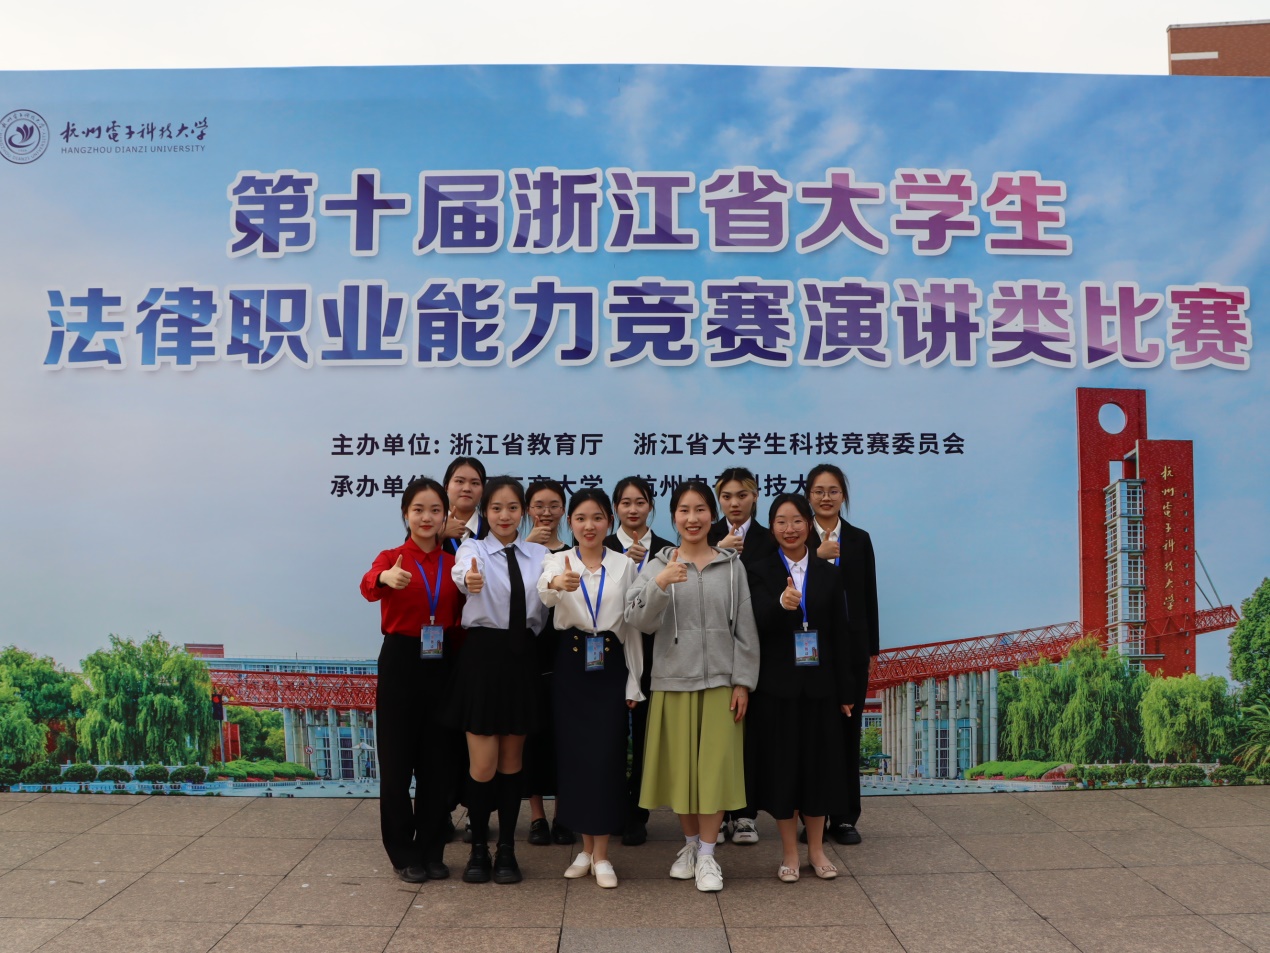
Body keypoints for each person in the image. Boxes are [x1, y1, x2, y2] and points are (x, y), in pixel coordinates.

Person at [625, 480, 760, 893]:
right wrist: (661, 583)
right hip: (672, 682)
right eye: (684, 510)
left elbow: (745, 630)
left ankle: (707, 855)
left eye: (700, 509)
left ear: (711, 515)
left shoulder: (731, 567)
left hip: (720, 682)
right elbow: (637, 619)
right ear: (673, 517)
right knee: (682, 774)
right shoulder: (658, 564)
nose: (693, 518)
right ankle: (689, 846)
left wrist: (743, 682)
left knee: (713, 773)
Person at [745, 493, 859, 881]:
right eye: (780, 521)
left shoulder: (828, 573)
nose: (789, 528)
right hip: (777, 689)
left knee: (818, 770)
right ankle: (790, 854)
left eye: (796, 521)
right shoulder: (758, 570)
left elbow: (840, 635)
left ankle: (817, 851)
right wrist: (781, 604)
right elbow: (755, 622)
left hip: (821, 689)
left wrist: (846, 691)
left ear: (808, 525)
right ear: (772, 528)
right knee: (784, 772)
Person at [360, 477, 464, 883]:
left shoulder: (454, 564)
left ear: (445, 517)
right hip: (401, 661)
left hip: (442, 662)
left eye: (435, 510)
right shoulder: (391, 558)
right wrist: (384, 579)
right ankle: (403, 853)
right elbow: (367, 586)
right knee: (397, 764)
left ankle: (432, 850)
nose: (426, 517)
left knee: (438, 764)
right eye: (418, 509)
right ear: (406, 514)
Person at [538, 488, 643, 888]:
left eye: (597, 518)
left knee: (607, 757)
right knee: (576, 759)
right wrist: (560, 583)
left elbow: (632, 629)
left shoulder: (624, 565)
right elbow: (545, 592)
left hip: (611, 665)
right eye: (581, 518)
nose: (589, 526)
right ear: (570, 523)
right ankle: (585, 848)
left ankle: (603, 855)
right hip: (571, 666)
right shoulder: (557, 561)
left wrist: (634, 681)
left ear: (609, 522)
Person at [450, 476, 550, 884]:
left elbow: (551, 588)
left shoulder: (540, 554)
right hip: (483, 659)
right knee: (483, 764)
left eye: (512, 508)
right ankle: (478, 848)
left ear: (523, 512)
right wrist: (469, 581)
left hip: (522, 658)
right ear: (485, 512)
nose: (504, 516)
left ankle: (507, 848)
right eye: (496, 508)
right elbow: (462, 573)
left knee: (512, 763)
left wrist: (559, 585)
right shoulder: (473, 550)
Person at [805, 462, 880, 847]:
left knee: (848, 734)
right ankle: (813, 817)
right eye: (819, 491)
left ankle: (846, 818)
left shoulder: (859, 539)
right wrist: (815, 556)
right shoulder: (798, 537)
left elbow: (869, 594)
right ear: (808, 496)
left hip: (851, 649)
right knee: (814, 737)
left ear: (843, 496)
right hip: (811, 650)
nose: (826, 497)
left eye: (833, 491)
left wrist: (872, 649)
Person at [604, 475, 672, 847]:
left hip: (656, 656)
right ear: (616, 508)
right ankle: (612, 807)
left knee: (647, 738)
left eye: (640, 502)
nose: (633, 509)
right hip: (611, 656)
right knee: (612, 735)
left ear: (651, 506)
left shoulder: (668, 551)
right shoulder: (602, 547)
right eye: (626, 502)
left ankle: (637, 814)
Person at [707, 466, 774, 845]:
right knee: (717, 735)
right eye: (727, 496)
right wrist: (720, 551)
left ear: (755, 496)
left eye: (742, 495)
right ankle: (715, 814)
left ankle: (746, 814)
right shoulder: (706, 533)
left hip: (756, 646)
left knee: (751, 734)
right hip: (712, 648)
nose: (734, 503)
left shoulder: (770, 537)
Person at [521, 479, 576, 847]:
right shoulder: (517, 551)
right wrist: (526, 549)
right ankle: (537, 815)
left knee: (565, 737)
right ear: (528, 509)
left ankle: (564, 815)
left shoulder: (573, 553)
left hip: (565, 652)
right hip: (527, 654)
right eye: (538, 505)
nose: (546, 512)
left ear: (563, 511)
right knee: (531, 736)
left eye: (553, 505)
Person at [442, 456, 486, 556]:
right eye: (459, 481)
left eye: (475, 483)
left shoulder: (492, 530)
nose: (467, 488)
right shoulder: (430, 526)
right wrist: (439, 534)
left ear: (483, 491)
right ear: (446, 487)